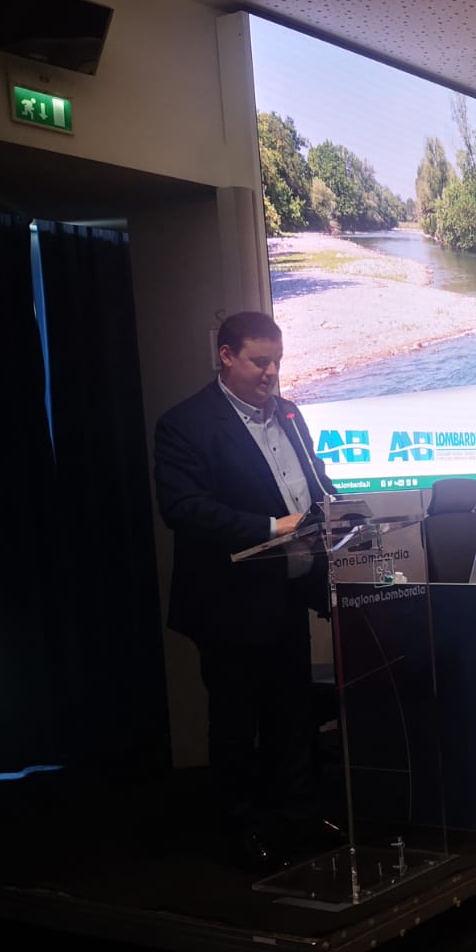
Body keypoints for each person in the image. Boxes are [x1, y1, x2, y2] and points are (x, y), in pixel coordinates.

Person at [154, 310, 336, 867]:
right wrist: (270, 526)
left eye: (277, 361)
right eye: (260, 361)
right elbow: (183, 508)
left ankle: (300, 819)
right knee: (236, 721)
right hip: (228, 603)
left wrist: (336, 510)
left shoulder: (289, 413)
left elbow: (315, 481)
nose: (271, 372)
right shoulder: (185, 424)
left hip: (288, 592)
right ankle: (243, 828)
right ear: (227, 356)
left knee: (294, 713)